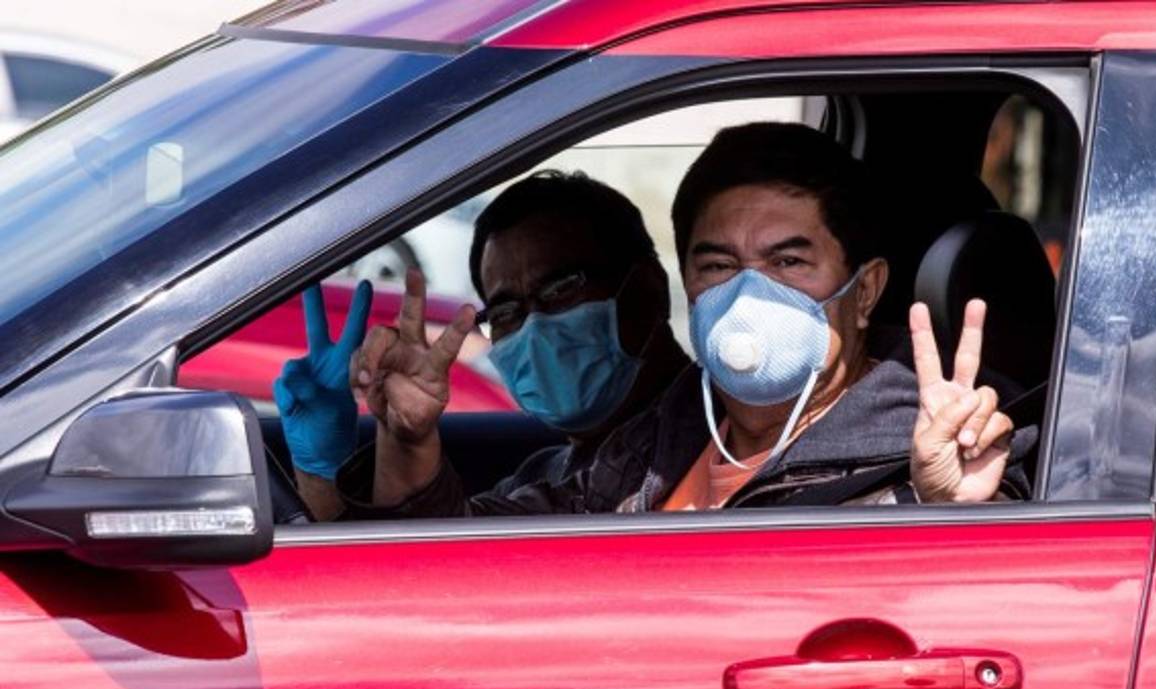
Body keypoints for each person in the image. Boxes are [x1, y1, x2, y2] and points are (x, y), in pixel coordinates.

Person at [340, 122, 1034, 517]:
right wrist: (409, 441)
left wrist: (951, 508)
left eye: (789, 261)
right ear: (689, 286)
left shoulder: (936, 442)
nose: (750, 295)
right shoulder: (652, 445)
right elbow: (471, 565)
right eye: (719, 265)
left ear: (863, 290)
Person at [275, 170, 689, 519]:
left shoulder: (689, 441)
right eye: (506, 311)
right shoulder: (545, 470)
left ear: (649, 289)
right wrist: (321, 474)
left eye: (561, 288)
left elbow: (448, 565)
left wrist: (409, 442)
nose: (534, 327)